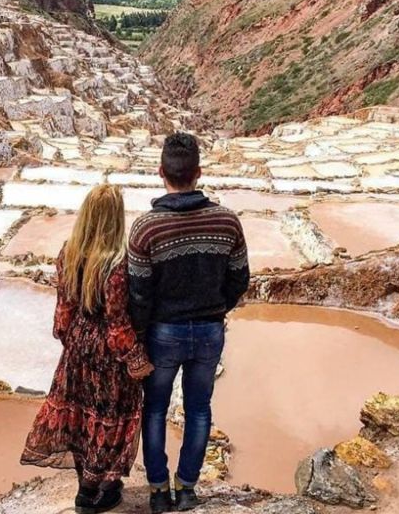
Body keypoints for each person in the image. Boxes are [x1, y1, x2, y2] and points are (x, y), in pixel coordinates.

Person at [128, 133, 250, 513]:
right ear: (198, 173)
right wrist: (217, 309)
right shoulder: (226, 221)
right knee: (199, 409)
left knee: (155, 409)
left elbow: (138, 294)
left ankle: (158, 491)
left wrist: (143, 336)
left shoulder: (146, 229)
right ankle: (188, 488)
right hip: (210, 331)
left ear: (160, 172)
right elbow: (239, 279)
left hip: (164, 333)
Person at [22, 184, 154, 514]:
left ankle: (85, 490)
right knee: (110, 419)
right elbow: (117, 323)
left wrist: (69, 339)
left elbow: (63, 311)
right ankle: (102, 489)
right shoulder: (117, 264)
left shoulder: (69, 252)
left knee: (79, 416)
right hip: (107, 358)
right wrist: (137, 360)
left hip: (77, 349)